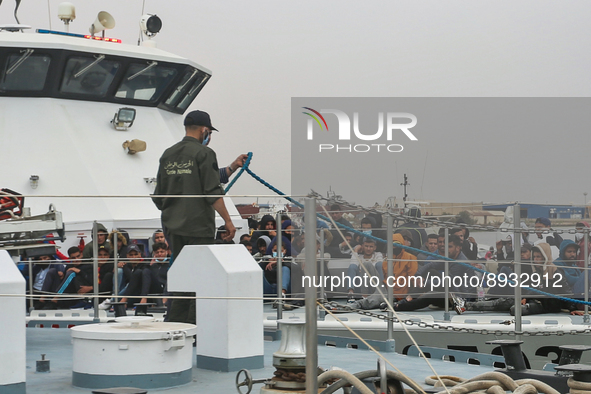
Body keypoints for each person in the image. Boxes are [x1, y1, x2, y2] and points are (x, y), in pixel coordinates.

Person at [152, 110, 236, 324]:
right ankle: (195, 326)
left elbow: (159, 196)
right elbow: (212, 192)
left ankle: (175, 323)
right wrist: (228, 220)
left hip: (172, 226)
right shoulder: (204, 154)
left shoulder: (168, 154)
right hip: (198, 227)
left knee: (181, 276)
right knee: (200, 278)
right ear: (204, 130)